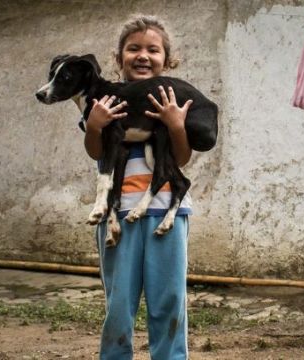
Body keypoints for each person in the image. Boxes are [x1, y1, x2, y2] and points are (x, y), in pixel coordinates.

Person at [82, 14, 193, 360]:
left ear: (167, 60)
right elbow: (96, 153)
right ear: (119, 59)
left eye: (152, 49)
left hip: (167, 215)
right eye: (133, 49)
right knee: (119, 303)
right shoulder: (105, 101)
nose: (142, 55)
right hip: (117, 216)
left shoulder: (174, 100)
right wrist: (93, 125)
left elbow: (182, 158)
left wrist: (176, 125)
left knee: (169, 300)